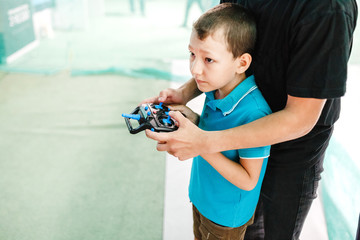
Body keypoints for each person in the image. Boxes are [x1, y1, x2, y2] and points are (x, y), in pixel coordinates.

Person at [144, 0, 358, 239]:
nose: (195, 68)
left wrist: (203, 143)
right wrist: (185, 93)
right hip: (223, 156)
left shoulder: (328, 9)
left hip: (292, 150)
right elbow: (223, 46)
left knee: (273, 231)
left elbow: (300, 118)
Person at [169, 4, 272, 239]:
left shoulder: (254, 113)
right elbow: (213, 135)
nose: (195, 69)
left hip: (225, 218)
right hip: (202, 198)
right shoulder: (216, 88)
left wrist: (199, 144)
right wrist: (189, 121)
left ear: (242, 63)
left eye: (208, 59)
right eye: (192, 54)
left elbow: (248, 180)